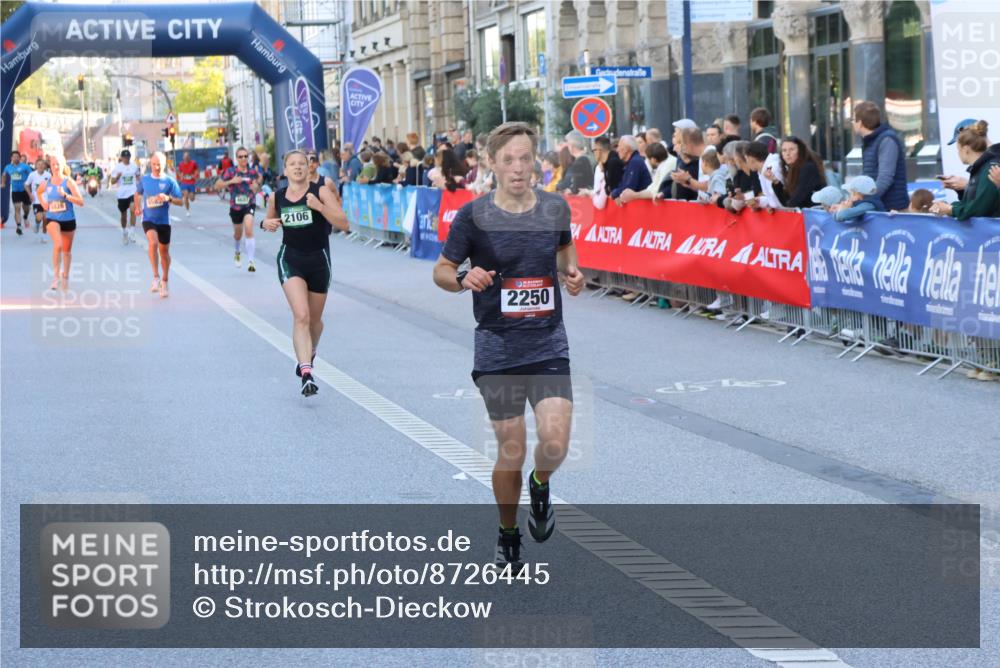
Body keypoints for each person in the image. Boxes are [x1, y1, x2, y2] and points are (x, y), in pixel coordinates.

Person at [432, 122, 585, 572]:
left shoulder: (555, 208)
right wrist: (464, 278)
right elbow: (442, 271)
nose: (518, 168)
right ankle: (508, 531)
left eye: (525, 158)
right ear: (492, 164)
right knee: (512, 449)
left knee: (555, 443)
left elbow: (565, 252)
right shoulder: (473, 216)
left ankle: (540, 484)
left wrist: (572, 274)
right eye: (509, 160)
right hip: (497, 347)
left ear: (535, 161)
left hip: (548, 341)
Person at [262, 150, 349, 396]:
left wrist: (319, 207)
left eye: (302, 163)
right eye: (292, 164)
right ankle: (307, 373)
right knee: (301, 315)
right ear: (285, 170)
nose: (298, 167)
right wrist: (265, 224)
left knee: (314, 322)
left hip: (319, 260)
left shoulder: (320, 191)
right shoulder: (277, 197)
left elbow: (343, 223)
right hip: (291, 259)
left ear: (309, 167)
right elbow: (269, 222)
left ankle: (310, 352)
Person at [134, 152, 182, 298]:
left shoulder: (170, 181)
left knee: (164, 253)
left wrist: (168, 198)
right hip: (148, 218)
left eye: (159, 164)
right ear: (150, 164)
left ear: (164, 164)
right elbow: (137, 194)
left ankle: (165, 281)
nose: (156, 167)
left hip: (164, 221)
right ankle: (156, 276)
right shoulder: (145, 179)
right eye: (154, 164)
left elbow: (181, 201)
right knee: (153, 243)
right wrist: (137, 207)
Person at [929, 121, 1000, 220]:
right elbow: (974, 204)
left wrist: (949, 209)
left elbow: (977, 210)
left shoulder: (990, 167)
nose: (958, 153)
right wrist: (948, 206)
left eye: (958, 149)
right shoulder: (982, 166)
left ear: (966, 149)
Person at [37, 155, 84, 290]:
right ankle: (56, 277)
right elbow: (39, 192)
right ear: (50, 167)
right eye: (53, 164)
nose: (56, 167)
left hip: (68, 220)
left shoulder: (69, 182)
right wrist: (44, 203)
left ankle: (65, 277)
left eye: (58, 164)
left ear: (63, 165)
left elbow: (81, 202)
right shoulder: (47, 183)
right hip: (52, 218)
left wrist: (65, 195)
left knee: (66, 252)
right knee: (58, 244)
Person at [853, 101, 909, 211]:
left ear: (859, 123)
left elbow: (885, 178)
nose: (852, 124)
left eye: (853, 120)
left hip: (892, 210)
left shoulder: (886, 140)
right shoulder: (870, 141)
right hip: (880, 207)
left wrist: (864, 198)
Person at [215, 147, 261, 272]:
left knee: (249, 228)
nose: (243, 158)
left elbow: (259, 179)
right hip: (235, 207)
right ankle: (237, 251)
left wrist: (256, 185)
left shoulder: (252, 172)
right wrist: (231, 181)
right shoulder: (231, 171)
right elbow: (217, 185)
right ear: (236, 158)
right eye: (240, 156)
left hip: (249, 204)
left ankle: (251, 261)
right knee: (238, 234)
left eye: (246, 156)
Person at [771, 136, 826, 208]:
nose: (788, 153)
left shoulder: (808, 167)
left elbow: (796, 200)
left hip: (816, 212)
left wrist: (788, 208)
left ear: (800, 151)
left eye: (791, 149)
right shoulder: (791, 169)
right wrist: (776, 182)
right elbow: (787, 201)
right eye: (784, 150)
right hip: (805, 212)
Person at [109, 150, 142, 244]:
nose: (126, 159)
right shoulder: (117, 167)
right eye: (125, 157)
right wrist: (117, 177)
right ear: (122, 158)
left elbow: (138, 177)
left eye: (128, 157)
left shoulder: (134, 166)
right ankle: (124, 232)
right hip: (122, 194)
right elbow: (112, 182)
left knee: (133, 209)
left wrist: (141, 186)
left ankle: (132, 232)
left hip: (132, 192)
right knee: (124, 216)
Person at [611, 135, 651, 203]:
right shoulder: (632, 162)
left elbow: (629, 188)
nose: (617, 150)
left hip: (644, 205)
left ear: (626, 149)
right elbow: (623, 184)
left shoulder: (635, 162)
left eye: (619, 146)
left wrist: (614, 194)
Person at [745, 140, 784, 209]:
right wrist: (759, 201)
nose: (746, 163)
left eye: (746, 159)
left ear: (751, 159)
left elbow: (779, 200)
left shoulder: (772, 168)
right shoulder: (762, 170)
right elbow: (771, 198)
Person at [3, 150, 34, 235]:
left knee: (26, 208)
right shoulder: (8, 167)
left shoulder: (25, 166)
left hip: (25, 190)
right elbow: (4, 175)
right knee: (17, 208)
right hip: (15, 191)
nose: (15, 158)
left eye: (17, 157)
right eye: (14, 157)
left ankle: (25, 216)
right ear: (11, 158)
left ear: (19, 158)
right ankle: (19, 226)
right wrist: (3, 183)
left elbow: (32, 175)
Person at [24, 157, 50, 243]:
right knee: (39, 217)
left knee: (45, 218)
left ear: (45, 166)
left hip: (46, 200)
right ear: (36, 166)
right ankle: (37, 224)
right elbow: (26, 185)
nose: (41, 166)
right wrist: (30, 194)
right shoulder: (32, 175)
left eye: (42, 164)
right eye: (39, 164)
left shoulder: (48, 175)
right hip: (36, 201)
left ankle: (44, 236)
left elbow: (52, 186)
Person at [176, 151, 199, 216]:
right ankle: (187, 211)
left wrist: (195, 175)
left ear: (189, 157)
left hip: (191, 182)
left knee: (192, 199)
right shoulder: (181, 164)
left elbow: (197, 170)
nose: (185, 158)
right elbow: (178, 171)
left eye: (187, 157)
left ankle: (188, 195)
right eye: (184, 157)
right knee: (185, 196)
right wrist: (180, 176)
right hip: (184, 182)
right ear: (183, 157)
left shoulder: (193, 163)